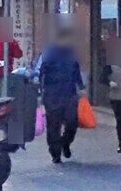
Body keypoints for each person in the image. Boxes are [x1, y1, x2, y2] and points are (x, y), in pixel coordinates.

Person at [36, 29, 85, 164]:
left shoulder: (71, 52)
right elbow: (40, 72)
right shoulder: (48, 53)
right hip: (52, 94)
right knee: (53, 125)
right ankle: (55, 153)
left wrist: (81, 87)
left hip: (69, 93)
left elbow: (76, 70)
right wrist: (39, 92)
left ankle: (65, 143)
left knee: (72, 122)